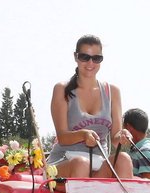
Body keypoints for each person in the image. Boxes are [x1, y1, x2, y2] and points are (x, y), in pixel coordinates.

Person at [46, 35, 132, 179]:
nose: (90, 63)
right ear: (75, 57)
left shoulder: (112, 92)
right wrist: (83, 134)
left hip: (98, 163)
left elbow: (116, 138)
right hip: (65, 162)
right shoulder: (62, 89)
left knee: (123, 159)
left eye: (96, 58)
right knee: (81, 165)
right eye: (84, 57)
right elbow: (62, 137)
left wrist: (123, 135)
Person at [122, 108, 150, 179]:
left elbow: (149, 182)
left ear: (129, 127)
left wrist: (123, 176)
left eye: (123, 128)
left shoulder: (145, 150)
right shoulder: (138, 150)